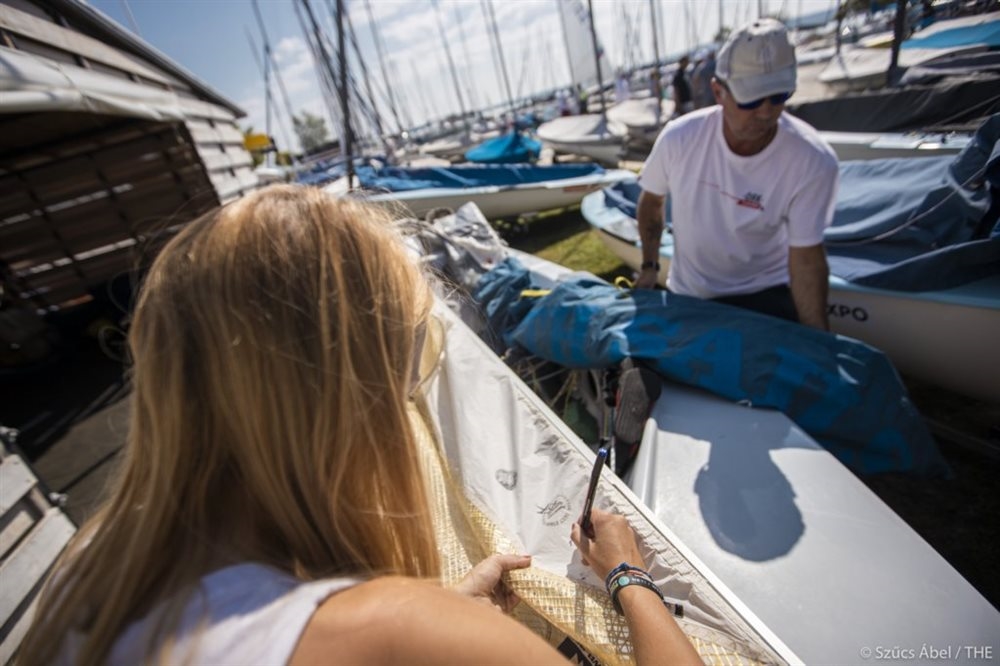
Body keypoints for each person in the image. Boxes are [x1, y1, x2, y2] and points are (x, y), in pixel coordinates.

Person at [20, 185, 702, 665]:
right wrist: (627, 575)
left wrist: (446, 615)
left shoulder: (94, 571)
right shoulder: (393, 631)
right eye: (407, 382)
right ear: (358, 403)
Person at [634, 19, 838, 330]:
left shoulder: (813, 160)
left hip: (765, 293)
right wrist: (650, 267)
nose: (766, 112)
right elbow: (652, 201)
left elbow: (807, 258)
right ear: (718, 91)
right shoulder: (679, 139)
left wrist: (817, 339)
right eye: (751, 99)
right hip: (691, 295)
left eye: (778, 96)